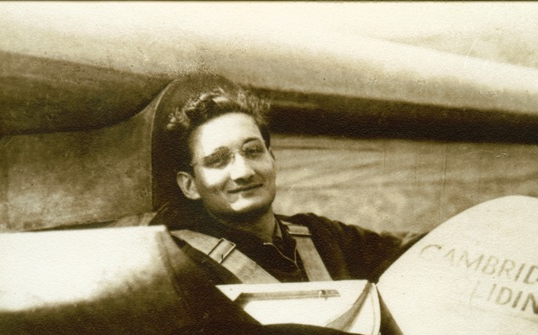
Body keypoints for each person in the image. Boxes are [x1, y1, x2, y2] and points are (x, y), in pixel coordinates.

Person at [150, 77, 420, 285]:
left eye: (253, 151)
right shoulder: (180, 264)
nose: (244, 172)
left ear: (272, 159)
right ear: (190, 185)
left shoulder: (322, 236)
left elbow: (416, 249)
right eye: (218, 160)